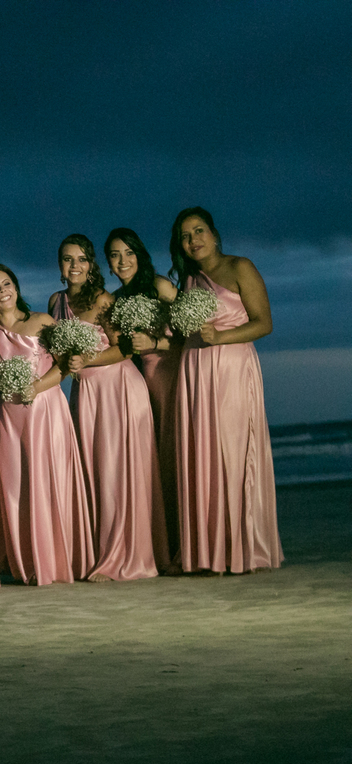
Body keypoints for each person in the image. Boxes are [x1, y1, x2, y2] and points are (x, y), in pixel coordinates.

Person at [169, 207, 282, 574]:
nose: (193, 240)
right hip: (196, 371)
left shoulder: (240, 267)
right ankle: (209, 551)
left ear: (214, 234)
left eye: (199, 231)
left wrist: (222, 337)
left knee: (233, 452)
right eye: (186, 236)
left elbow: (264, 323)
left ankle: (243, 549)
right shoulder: (189, 279)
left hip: (232, 368)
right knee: (203, 457)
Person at [49, 235, 162, 582]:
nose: (75, 266)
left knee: (118, 470)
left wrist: (88, 359)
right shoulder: (56, 301)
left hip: (118, 388)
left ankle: (122, 556)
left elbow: (125, 348)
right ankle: (99, 549)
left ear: (91, 263)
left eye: (81, 259)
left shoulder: (103, 300)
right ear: (60, 266)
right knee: (95, 470)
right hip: (86, 393)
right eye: (68, 260)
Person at [0, 264, 93, 586]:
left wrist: (35, 388)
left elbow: (65, 367)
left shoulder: (41, 321)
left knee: (49, 481)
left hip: (47, 412)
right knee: (17, 487)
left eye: (7, 283)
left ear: (16, 286)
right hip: (10, 420)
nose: (3, 291)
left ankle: (57, 560)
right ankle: (26, 562)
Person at [105, 227, 181, 570]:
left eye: (129, 253)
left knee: (179, 456)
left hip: (170, 373)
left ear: (140, 254)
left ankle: (188, 545)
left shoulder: (161, 286)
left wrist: (154, 345)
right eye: (115, 255)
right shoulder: (116, 299)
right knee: (157, 463)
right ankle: (165, 545)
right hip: (140, 385)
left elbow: (190, 335)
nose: (122, 261)